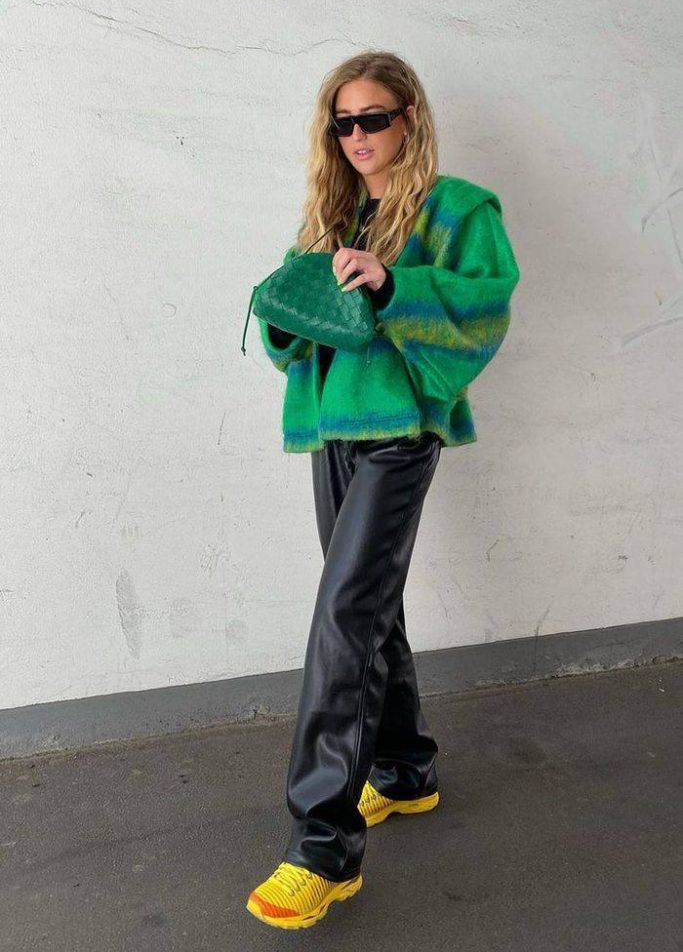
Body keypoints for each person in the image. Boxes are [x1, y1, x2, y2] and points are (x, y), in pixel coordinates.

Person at [246, 50, 520, 930]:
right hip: (332, 431)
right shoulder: (329, 217)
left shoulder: (459, 208)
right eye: (343, 123)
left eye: (372, 118)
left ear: (409, 118)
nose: (357, 135)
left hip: (400, 433)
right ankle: (403, 770)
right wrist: (284, 307)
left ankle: (321, 847)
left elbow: (486, 308)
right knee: (369, 606)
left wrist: (394, 282)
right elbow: (296, 340)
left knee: (342, 615)